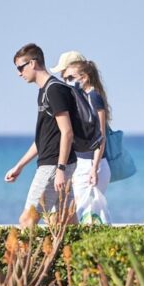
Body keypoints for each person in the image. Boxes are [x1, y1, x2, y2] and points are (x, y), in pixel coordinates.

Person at [4, 43, 79, 225]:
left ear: (33, 63)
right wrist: (19, 166)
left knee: (28, 219)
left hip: (54, 165)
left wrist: (60, 169)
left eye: (20, 67)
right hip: (57, 163)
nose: (19, 73)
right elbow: (43, 139)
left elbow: (67, 132)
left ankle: (23, 254)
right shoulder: (45, 91)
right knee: (65, 222)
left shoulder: (54, 90)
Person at [62, 60, 111, 220]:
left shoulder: (94, 97)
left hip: (92, 164)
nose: (67, 81)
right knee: (84, 214)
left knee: (86, 214)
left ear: (84, 77)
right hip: (84, 163)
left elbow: (100, 136)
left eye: (70, 77)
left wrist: (94, 167)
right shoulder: (82, 97)